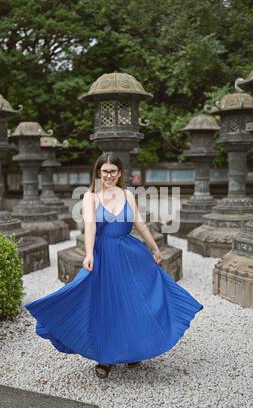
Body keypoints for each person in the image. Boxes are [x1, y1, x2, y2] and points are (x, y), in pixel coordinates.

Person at [25, 152, 203, 379]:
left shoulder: (128, 194)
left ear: (120, 173)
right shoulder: (91, 197)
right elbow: (89, 227)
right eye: (104, 171)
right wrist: (89, 253)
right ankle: (105, 358)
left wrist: (154, 248)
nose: (108, 175)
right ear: (98, 172)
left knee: (133, 300)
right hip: (103, 254)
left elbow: (139, 223)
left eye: (113, 171)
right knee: (105, 303)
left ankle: (132, 350)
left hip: (130, 254)